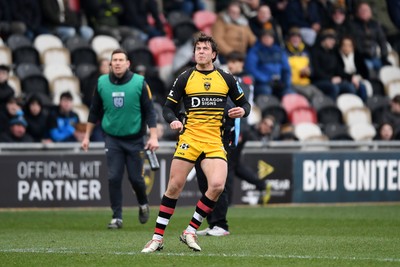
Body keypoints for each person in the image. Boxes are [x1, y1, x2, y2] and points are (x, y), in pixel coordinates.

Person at [141, 32, 250, 253]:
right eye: (197, 49)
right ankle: (157, 238)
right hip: (189, 138)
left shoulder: (227, 78)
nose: (200, 52)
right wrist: (173, 121)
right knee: (174, 187)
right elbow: (167, 108)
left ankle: (190, 230)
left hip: (213, 140)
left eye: (204, 49)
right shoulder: (185, 77)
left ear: (214, 54)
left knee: (217, 186)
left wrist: (242, 111)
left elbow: (245, 105)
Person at [81, 48, 159, 229]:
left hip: (135, 139)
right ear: (110, 64)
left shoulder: (140, 83)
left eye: (120, 60)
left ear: (127, 63)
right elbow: (94, 111)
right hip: (112, 138)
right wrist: (86, 137)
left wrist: (153, 137)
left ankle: (143, 203)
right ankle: (117, 217)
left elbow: (150, 112)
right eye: (114, 60)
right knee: (113, 177)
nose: (117, 63)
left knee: (136, 179)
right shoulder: (101, 83)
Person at [245, 29, 294, 99]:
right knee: (266, 91)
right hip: (262, 83)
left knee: (289, 92)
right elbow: (250, 69)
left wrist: (286, 83)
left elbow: (286, 69)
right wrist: (266, 79)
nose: (267, 39)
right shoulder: (255, 51)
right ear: (261, 38)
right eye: (265, 37)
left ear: (273, 39)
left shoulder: (279, 50)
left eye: (269, 37)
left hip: (279, 82)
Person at [285, 27, 324, 101]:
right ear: (289, 39)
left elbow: (312, 70)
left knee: (320, 95)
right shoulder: (284, 52)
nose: (295, 39)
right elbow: (284, 70)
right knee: (308, 95)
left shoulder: (306, 52)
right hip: (292, 84)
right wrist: (298, 72)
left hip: (306, 83)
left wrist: (308, 71)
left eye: (298, 37)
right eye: (293, 37)